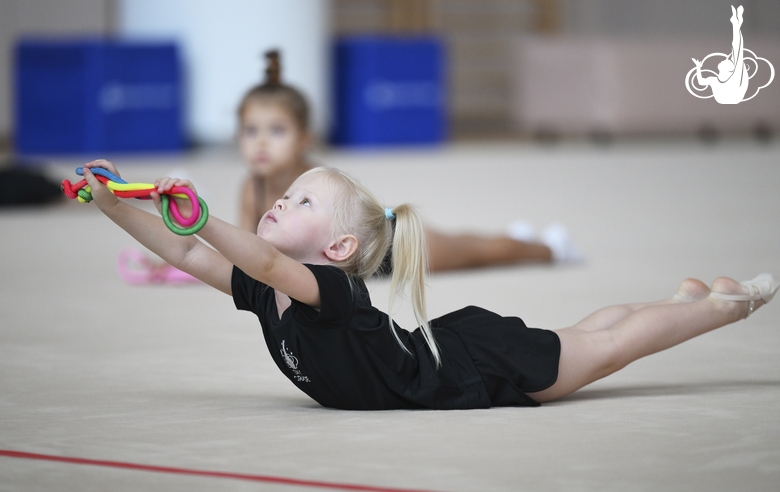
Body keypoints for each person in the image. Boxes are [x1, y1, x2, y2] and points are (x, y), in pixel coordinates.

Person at [80, 159, 778, 410]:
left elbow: (254, 259)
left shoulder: (331, 292)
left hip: (467, 371)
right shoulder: (270, 292)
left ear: (338, 248)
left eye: (300, 202)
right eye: (285, 196)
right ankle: (680, 301)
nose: (279, 203)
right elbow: (184, 253)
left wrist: (203, 216)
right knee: (587, 335)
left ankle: (722, 305)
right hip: (444, 350)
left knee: (609, 346)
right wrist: (116, 204)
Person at [236, 50, 582, 273]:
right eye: (251, 131)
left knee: (476, 253)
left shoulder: (313, 179)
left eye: (276, 131)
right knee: (470, 245)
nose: (261, 143)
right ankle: (514, 236)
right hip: (345, 265)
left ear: (303, 140)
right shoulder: (252, 189)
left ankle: (548, 248)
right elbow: (246, 248)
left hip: (388, 246)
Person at [692, 5, 749, 104]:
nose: (725, 59)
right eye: (728, 61)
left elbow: (738, 50)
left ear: (729, 69)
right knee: (737, 51)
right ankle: (736, 23)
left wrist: (736, 26)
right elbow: (701, 82)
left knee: (737, 51)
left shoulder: (733, 78)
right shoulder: (715, 80)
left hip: (733, 96)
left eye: (727, 61)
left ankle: (736, 24)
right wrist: (698, 67)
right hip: (728, 97)